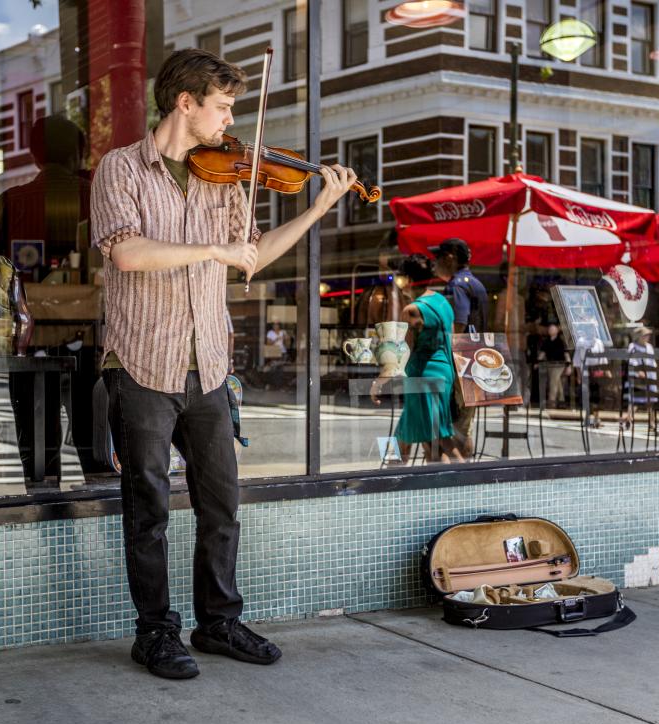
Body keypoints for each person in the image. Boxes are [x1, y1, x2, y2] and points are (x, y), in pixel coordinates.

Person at [88, 48, 358, 680]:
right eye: (223, 106)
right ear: (186, 103)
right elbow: (127, 253)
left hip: (207, 363)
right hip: (141, 362)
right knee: (148, 507)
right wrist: (210, 247)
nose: (231, 121)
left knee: (221, 504)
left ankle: (218, 622)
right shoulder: (120, 169)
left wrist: (316, 209)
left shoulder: (228, 176)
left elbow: (251, 255)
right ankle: (155, 633)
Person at [0, 115, 102, 483]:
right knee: (100, 460)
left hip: (30, 346)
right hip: (93, 342)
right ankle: (110, 534)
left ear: (34, 155)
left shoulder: (11, 202)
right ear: (79, 153)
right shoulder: (99, 198)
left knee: (40, 467)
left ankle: (48, 531)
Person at [371, 253, 464, 465]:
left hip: (423, 377)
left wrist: (378, 382)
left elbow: (402, 353)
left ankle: (465, 483)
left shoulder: (412, 310)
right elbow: (451, 343)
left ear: (407, 280)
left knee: (436, 440)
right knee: (418, 433)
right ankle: (394, 481)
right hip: (442, 374)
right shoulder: (443, 303)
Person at [429, 238, 488, 456]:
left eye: (438, 257)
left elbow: (458, 324)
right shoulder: (475, 282)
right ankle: (467, 474)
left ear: (450, 257)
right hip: (477, 360)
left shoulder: (457, 285)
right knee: (465, 427)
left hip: (459, 362)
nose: (434, 262)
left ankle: (458, 478)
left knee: (453, 428)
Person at [537, 319, 570, 406]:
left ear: (557, 330)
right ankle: (562, 400)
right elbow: (542, 353)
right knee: (556, 382)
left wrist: (568, 366)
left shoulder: (561, 341)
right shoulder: (546, 341)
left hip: (559, 365)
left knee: (553, 382)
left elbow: (566, 354)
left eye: (553, 329)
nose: (551, 331)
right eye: (550, 329)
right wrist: (537, 362)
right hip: (550, 364)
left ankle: (551, 401)